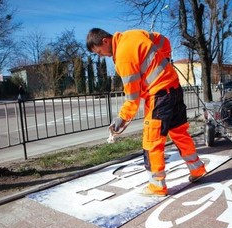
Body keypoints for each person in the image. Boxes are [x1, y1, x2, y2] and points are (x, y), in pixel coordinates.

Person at [86, 28, 206, 196]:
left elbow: (133, 97)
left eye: (99, 51)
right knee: (180, 133)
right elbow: (164, 40)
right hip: (174, 87)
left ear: (105, 41)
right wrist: (164, 57)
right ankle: (197, 169)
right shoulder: (133, 34)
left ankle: (157, 186)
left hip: (159, 96)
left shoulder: (123, 57)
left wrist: (122, 118)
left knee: (152, 142)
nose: (101, 55)